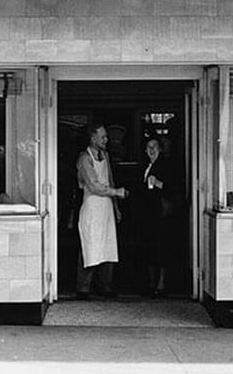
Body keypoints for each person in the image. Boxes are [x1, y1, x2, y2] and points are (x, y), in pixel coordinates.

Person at [75, 123, 128, 299]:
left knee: (108, 246)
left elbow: (109, 180)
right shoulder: (85, 158)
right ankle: (83, 288)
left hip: (106, 208)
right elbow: (94, 185)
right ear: (93, 138)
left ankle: (105, 286)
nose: (106, 139)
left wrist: (115, 207)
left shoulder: (105, 155)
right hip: (92, 207)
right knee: (90, 245)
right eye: (103, 136)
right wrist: (116, 193)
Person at [139, 138, 179, 297]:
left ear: (160, 149)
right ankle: (151, 284)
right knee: (149, 248)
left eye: (154, 147)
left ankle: (161, 285)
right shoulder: (145, 166)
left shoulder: (167, 165)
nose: (151, 150)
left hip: (161, 214)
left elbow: (175, 188)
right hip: (149, 214)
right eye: (148, 147)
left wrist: (158, 183)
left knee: (161, 248)